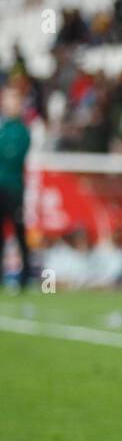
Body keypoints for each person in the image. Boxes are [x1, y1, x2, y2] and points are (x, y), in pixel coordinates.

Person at [0, 85, 32, 291]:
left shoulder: (21, 131)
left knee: (19, 231)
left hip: (13, 189)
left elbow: (13, 156)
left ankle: (25, 275)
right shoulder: (3, 128)